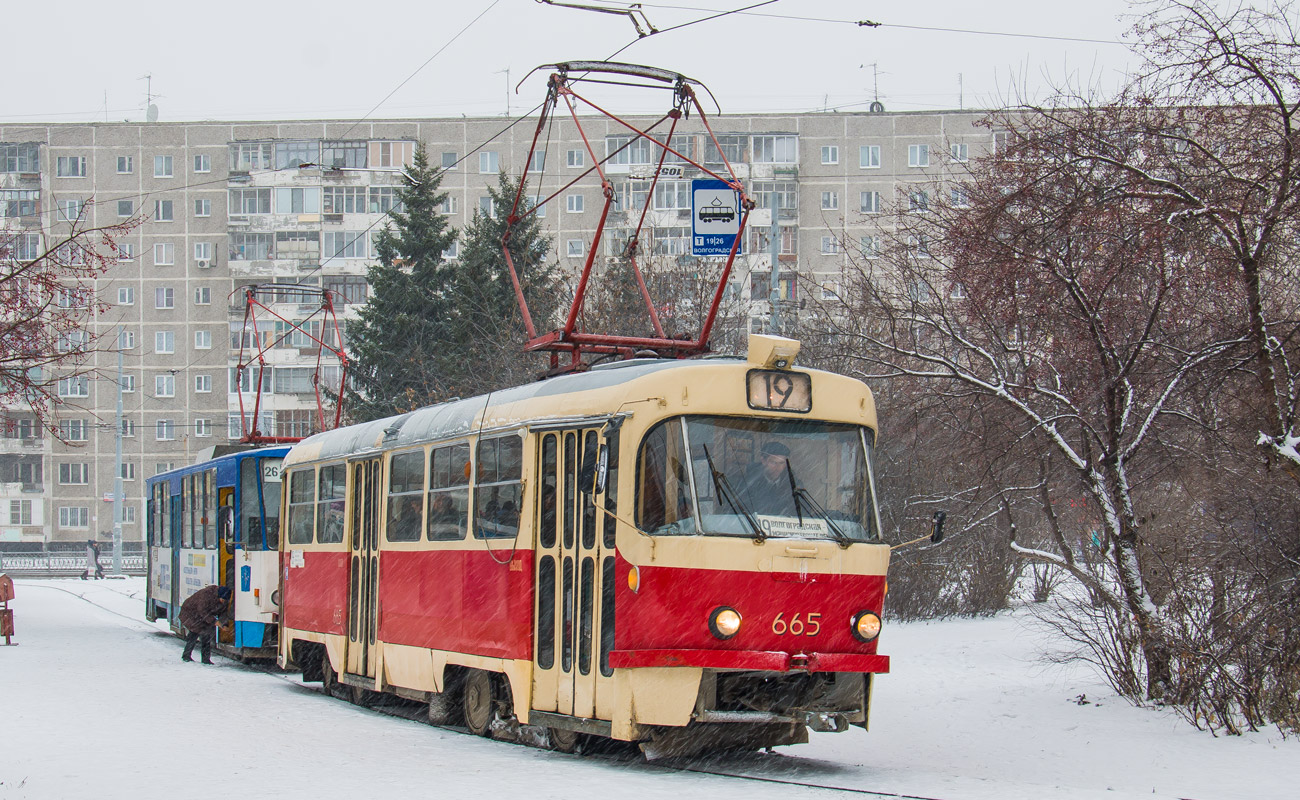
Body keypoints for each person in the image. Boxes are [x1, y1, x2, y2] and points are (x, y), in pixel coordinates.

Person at [739, 441, 799, 516]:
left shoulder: (793, 484)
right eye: (774, 462)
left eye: (782, 463)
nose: (778, 468)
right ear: (763, 461)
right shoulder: (748, 484)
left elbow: (802, 511)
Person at [179, 585, 231, 664]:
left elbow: (223, 613)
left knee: (207, 635)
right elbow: (202, 611)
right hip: (191, 613)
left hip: (204, 616)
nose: (223, 602)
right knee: (194, 632)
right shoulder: (206, 594)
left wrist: (224, 624)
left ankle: (206, 659)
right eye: (222, 599)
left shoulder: (223, 599)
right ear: (219, 596)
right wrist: (214, 621)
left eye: (225, 600)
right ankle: (186, 655)